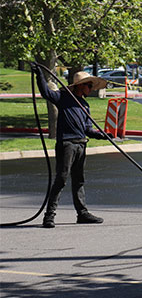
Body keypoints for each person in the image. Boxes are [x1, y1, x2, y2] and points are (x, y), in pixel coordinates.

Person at [35, 66, 112, 228]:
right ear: (79, 85)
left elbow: (87, 129)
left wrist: (101, 135)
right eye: (88, 85)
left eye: (91, 86)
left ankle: (82, 214)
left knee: (79, 181)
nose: (90, 89)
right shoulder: (63, 97)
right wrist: (40, 76)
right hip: (67, 144)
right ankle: (49, 216)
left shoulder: (85, 105)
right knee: (61, 179)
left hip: (81, 144)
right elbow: (46, 93)